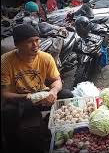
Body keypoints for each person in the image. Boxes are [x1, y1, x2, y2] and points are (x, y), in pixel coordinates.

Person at [1, 24, 73, 152]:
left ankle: (54, 125)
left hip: (43, 94)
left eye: (37, 40)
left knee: (67, 94)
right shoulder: (6, 61)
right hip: (21, 99)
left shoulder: (46, 57)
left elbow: (56, 80)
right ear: (17, 45)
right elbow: (5, 93)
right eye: (29, 42)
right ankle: (12, 144)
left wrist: (53, 91)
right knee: (8, 112)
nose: (35, 45)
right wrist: (28, 97)